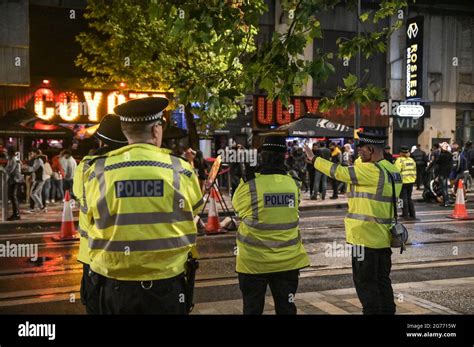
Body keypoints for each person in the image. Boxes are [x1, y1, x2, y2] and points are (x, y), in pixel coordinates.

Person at [84, 97, 203, 314]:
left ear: (126, 132)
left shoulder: (97, 172)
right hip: (166, 286)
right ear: (156, 131)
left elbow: (88, 217)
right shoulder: (181, 170)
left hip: (114, 286)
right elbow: (195, 210)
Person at [304, 132, 402, 315]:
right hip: (383, 238)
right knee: (382, 282)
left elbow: (339, 172)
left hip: (364, 239)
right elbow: (358, 166)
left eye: (361, 150)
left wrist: (314, 159)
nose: (358, 154)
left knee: (366, 286)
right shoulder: (392, 169)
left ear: (370, 150)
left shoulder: (370, 171)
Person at [232, 135, 310, 315]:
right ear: (283, 156)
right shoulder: (293, 183)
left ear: (262, 155)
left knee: (252, 309)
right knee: (286, 308)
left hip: (253, 262)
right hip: (288, 261)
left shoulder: (250, 183)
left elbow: (238, 209)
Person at [73, 114, 128, 315]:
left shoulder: (87, 165)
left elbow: (80, 195)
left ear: (101, 140)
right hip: (129, 255)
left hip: (93, 254)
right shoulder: (131, 163)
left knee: (97, 306)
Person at [394, 146, 417, 220]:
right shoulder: (411, 160)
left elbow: (396, 171)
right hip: (411, 181)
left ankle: (405, 214)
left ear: (401, 153)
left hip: (403, 182)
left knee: (403, 199)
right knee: (409, 198)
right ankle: (412, 214)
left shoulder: (399, 160)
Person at [24, 149, 46, 213]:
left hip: (39, 179)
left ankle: (41, 207)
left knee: (33, 193)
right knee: (38, 194)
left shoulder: (38, 160)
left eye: (33, 153)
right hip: (39, 179)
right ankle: (40, 207)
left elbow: (33, 169)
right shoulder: (39, 160)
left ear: (36, 153)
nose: (32, 155)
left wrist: (26, 167)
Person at [5, 147, 23, 220]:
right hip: (14, 179)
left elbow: (10, 169)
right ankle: (15, 213)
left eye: (6, 151)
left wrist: (4, 170)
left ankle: (17, 214)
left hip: (16, 180)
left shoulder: (13, 159)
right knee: (12, 197)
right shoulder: (11, 159)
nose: (5, 152)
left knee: (14, 196)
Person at [434, 142, 453, 207]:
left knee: (443, 188)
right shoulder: (450, 155)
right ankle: (446, 201)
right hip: (446, 173)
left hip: (442, 173)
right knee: (445, 188)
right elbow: (451, 166)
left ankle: (446, 202)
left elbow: (437, 162)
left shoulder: (442, 155)